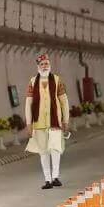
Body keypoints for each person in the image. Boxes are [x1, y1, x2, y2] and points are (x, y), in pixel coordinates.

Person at [25, 53, 70, 189]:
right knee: (43, 151)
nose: (44, 66)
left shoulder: (57, 80)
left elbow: (64, 101)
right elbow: (28, 103)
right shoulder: (33, 82)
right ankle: (47, 179)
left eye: (46, 64)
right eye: (42, 64)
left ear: (49, 65)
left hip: (55, 121)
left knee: (55, 149)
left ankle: (55, 176)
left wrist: (65, 120)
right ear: (38, 66)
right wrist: (28, 123)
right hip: (39, 123)